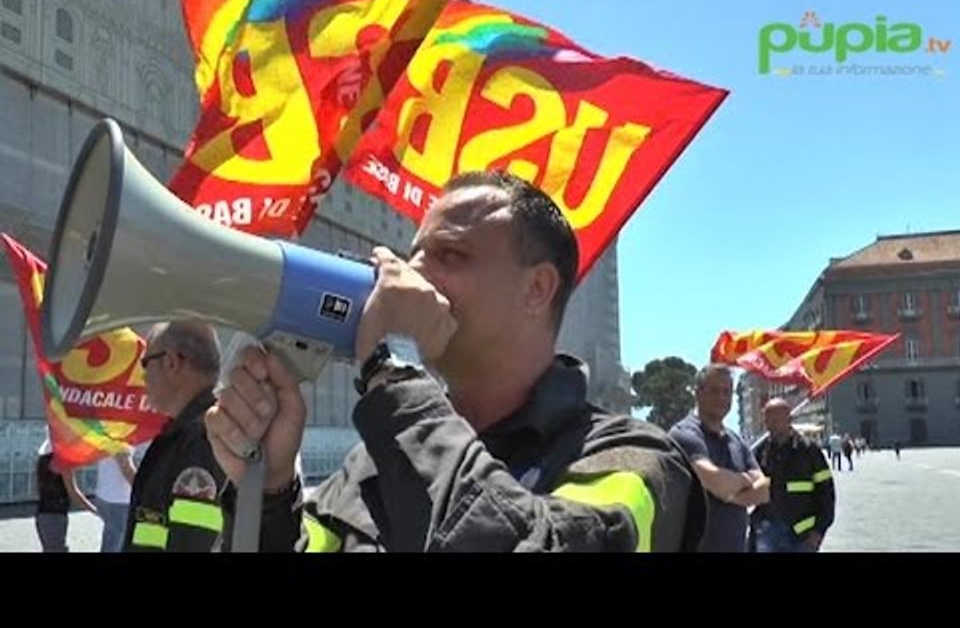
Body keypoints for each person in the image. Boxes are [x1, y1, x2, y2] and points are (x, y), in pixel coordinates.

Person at [207, 171, 706, 552]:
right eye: (414, 255)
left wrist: (393, 365)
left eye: (450, 256)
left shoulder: (634, 460)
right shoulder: (371, 464)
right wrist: (269, 494)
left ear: (537, 289)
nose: (410, 275)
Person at [122, 320, 228, 552]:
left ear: (171, 362)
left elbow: (192, 543)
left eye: (145, 364)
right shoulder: (188, 435)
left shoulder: (201, 440)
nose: (143, 377)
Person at [668, 364, 769, 552]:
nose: (721, 398)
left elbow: (763, 490)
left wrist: (730, 493)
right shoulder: (684, 434)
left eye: (727, 392)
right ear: (698, 393)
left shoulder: (736, 440)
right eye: (714, 391)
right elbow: (715, 481)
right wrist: (745, 482)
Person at [749, 398, 835, 552]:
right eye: (768, 420)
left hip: (802, 534)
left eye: (776, 419)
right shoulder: (760, 452)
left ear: (789, 419)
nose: (771, 425)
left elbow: (827, 493)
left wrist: (818, 532)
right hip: (767, 533)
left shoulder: (809, 450)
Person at [35, 438, 97, 552]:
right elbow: (74, 494)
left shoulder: (42, 460)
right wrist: (95, 510)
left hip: (42, 515)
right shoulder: (62, 463)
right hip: (56, 517)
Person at [95, 446, 137, 552]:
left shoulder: (110, 432)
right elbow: (126, 468)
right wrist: (142, 489)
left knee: (112, 540)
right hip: (118, 500)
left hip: (106, 495)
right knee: (115, 545)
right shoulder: (121, 437)